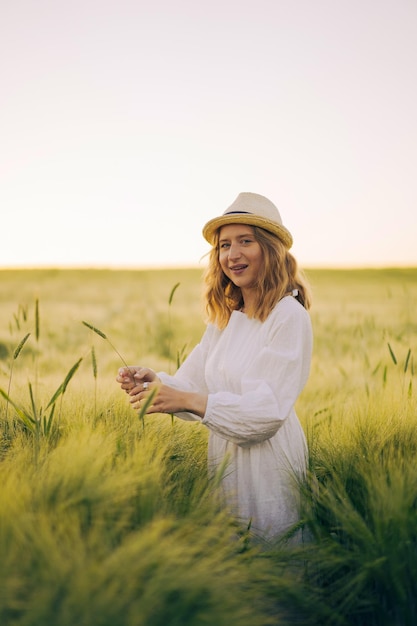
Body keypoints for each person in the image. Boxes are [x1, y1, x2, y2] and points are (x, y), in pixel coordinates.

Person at [116, 192, 313, 541]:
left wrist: (186, 401)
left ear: (270, 249)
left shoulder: (289, 316)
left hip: (269, 464)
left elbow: (265, 414)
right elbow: (193, 385)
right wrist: (154, 384)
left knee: (272, 555)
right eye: (224, 245)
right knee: (234, 556)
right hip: (226, 460)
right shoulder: (225, 320)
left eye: (245, 241)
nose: (232, 255)